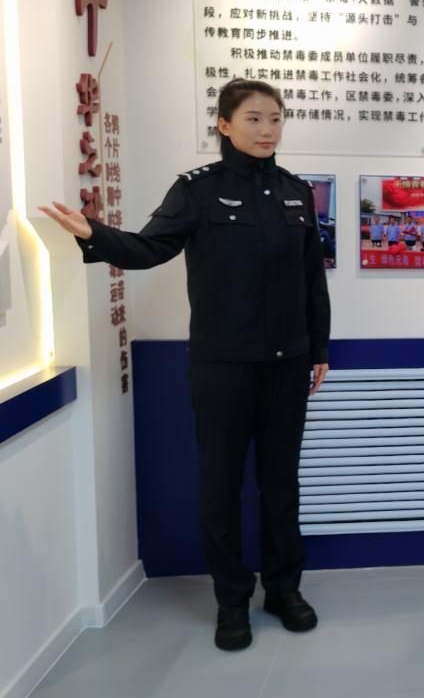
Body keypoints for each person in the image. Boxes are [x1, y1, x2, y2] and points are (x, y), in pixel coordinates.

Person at [40, 78, 330, 652]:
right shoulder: (197, 190)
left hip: (286, 364)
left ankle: (283, 589)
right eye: (254, 118)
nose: (267, 129)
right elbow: (150, 248)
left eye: (275, 118)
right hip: (222, 366)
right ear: (224, 125)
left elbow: (311, 282)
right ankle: (231, 601)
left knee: (281, 484)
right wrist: (95, 235)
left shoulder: (297, 193)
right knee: (220, 486)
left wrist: (318, 349)